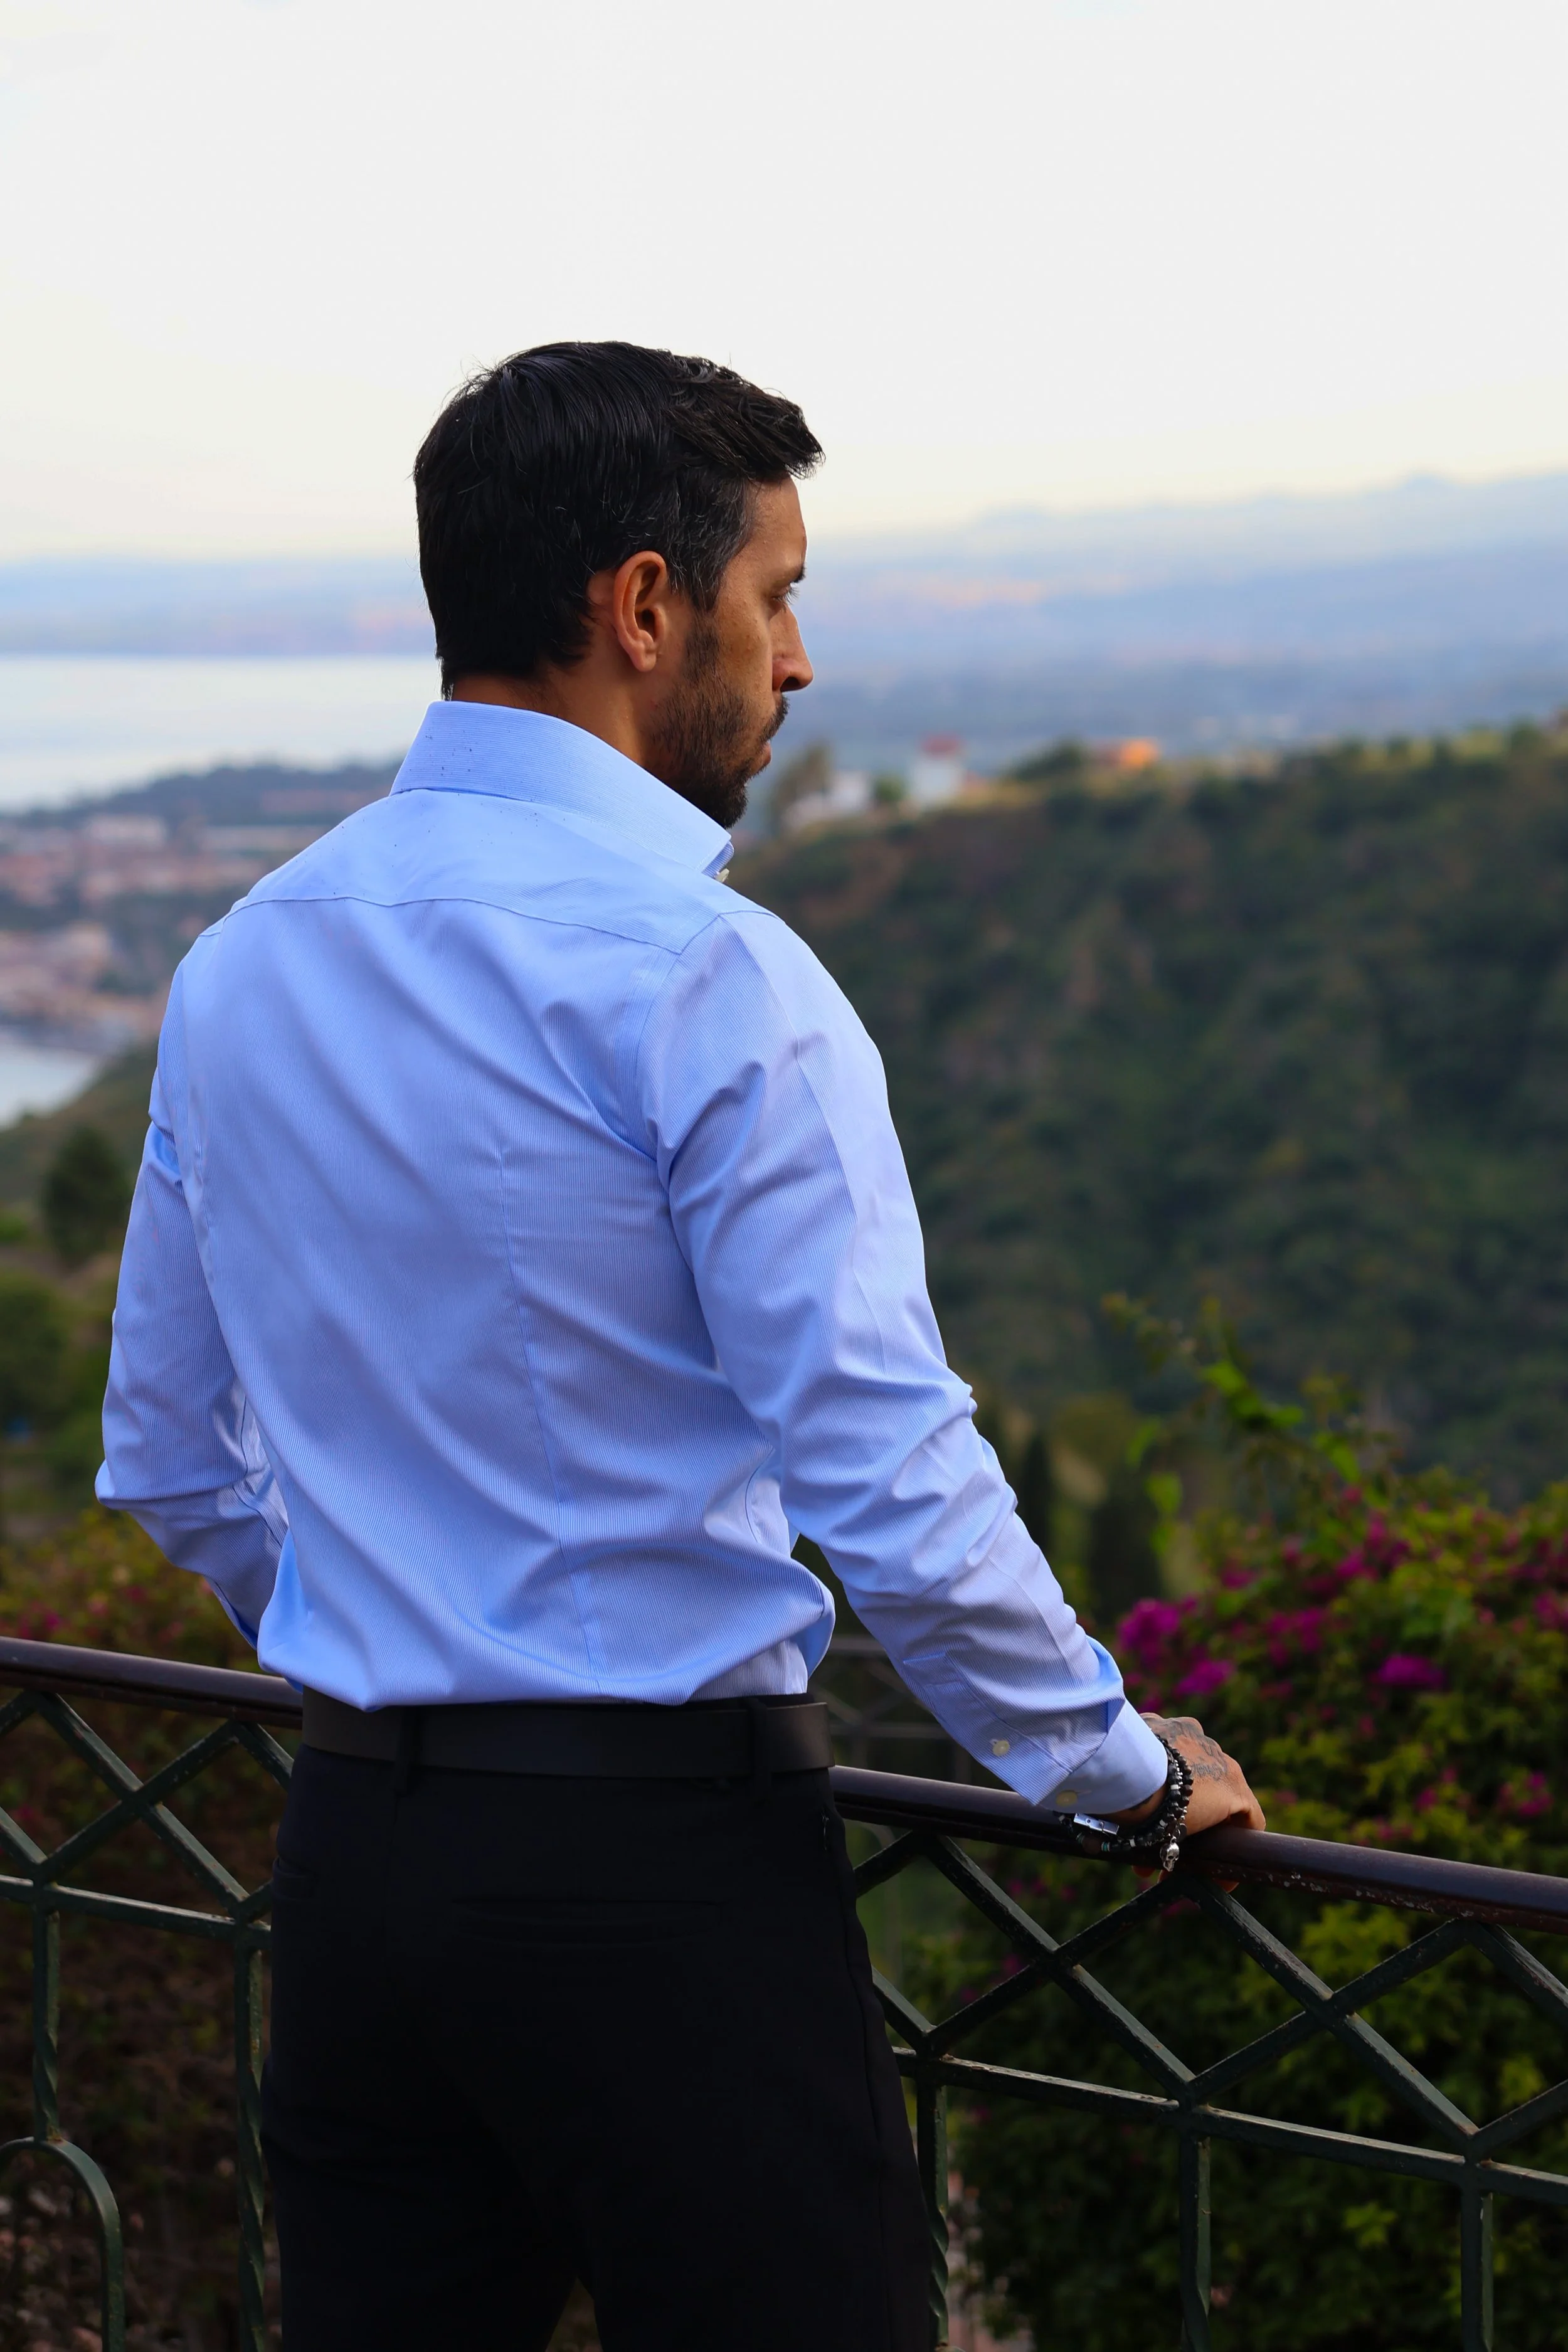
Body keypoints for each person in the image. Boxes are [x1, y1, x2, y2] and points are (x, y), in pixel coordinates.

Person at [97, 341, 1264, 2352]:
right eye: (775, 595)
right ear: (646, 607)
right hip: (655, 1876)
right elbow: (884, 1468)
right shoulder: (710, 975)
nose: (796, 661)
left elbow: (176, 1459)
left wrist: (418, 1626)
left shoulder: (245, 957)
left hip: (357, 1854)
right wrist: (1113, 1771)